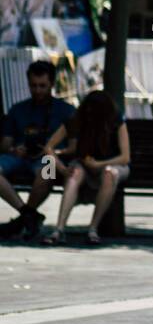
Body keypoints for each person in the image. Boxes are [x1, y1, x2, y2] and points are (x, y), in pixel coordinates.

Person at [31, 90, 131, 245]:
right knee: (69, 173)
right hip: (76, 164)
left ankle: (92, 229)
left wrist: (99, 164)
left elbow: (125, 157)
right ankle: (58, 229)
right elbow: (48, 148)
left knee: (109, 173)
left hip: (110, 165)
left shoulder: (116, 120)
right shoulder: (77, 118)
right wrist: (62, 168)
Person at [0, 60, 76, 240]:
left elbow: (74, 147)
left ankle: (22, 220)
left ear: (51, 84)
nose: (38, 90)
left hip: (48, 158)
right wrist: (13, 149)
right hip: (20, 157)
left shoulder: (66, 111)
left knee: (47, 171)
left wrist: (53, 152)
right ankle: (28, 215)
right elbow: (4, 144)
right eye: (33, 86)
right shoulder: (18, 110)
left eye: (43, 86)